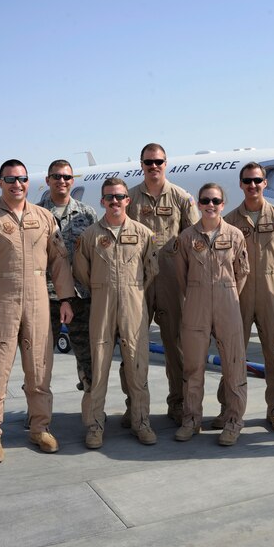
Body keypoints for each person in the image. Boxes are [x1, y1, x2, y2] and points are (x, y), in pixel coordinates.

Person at [0, 159, 76, 464]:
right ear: (1, 182)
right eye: (10, 179)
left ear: (29, 182)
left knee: (40, 369)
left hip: (39, 299)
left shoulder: (44, 218)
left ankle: (40, 428)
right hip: (0, 300)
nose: (17, 184)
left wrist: (65, 299)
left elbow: (59, 261)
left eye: (22, 179)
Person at [73, 177, 159, 449]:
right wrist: (104, 289)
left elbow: (151, 270)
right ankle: (95, 426)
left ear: (127, 200)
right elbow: (81, 273)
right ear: (102, 201)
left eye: (119, 196)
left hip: (134, 306)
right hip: (102, 305)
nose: (114, 201)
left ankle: (141, 422)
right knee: (98, 369)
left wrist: (131, 292)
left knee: (137, 366)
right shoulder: (89, 236)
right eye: (109, 197)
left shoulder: (143, 234)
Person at [216, 161, 274, 432]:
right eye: (247, 181)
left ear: (265, 183)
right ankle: (228, 409)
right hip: (237, 297)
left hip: (269, 296)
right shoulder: (229, 222)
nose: (252, 185)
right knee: (232, 354)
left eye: (257, 180)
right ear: (240, 184)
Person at [126, 143, 199, 425]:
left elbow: (193, 240)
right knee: (132, 346)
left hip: (171, 282)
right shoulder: (130, 198)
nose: (153, 166)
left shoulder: (181, 198)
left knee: (175, 346)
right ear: (141, 164)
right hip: (138, 283)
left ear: (166, 163)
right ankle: (134, 403)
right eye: (148, 162)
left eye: (158, 161)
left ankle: (178, 403)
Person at [174, 183, 249, 446]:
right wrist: (199, 294)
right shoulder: (186, 237)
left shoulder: (236, 235)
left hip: (228, 303)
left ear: (222, 204)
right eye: (205, 200)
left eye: (215, 201)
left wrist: (226, 293)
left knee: (234, 366)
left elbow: (242, 272)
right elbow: (181, 276)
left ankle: (233, 421)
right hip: (196, 304)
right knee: (193, 366)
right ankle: (191, 420)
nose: (210, 205)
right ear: (198, 203)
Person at [39, 159, 98, 391]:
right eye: (56, 176)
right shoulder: (35, 213)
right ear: (48, 180)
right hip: (47, 296)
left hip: (81, 295)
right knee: (40, 358)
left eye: (66, 177)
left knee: (88, 357)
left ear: (72, 181)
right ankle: (38, 412)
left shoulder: (87, 213)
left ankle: (91, 412)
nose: (61, 181)